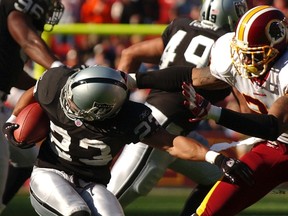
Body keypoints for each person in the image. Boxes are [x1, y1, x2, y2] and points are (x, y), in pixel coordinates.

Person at [2, 65, 253, 216]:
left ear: (101, 111)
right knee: (76, 212)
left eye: (76, 103)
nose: (68, 103)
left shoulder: (130, 117)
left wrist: (216, 158)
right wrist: (13, 118)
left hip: (92, 183)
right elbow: (33, 92)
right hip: (50, 172)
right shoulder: (57, 83)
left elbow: (172, 143)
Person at [140, 5, 288, 215]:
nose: (245, 61)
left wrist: (213, 112)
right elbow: (193, 76)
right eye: (242, 53)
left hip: (274, 135)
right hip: (277, 146)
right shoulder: (231, 56)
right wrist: (135, 80)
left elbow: (272, 126)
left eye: (253, 54)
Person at [107, 0, 248, 215]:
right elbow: (246, 111)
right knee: (105, 205)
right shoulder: (228, 46)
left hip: (175, 131)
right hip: (157, 130)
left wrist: (117, 104)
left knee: (221, 178)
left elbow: (129, 54)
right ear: (233, 16)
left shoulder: (181, 26)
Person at [0, 0, 64, 212]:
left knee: (27, 157)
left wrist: (43, 86)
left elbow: (10, 73)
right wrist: (59, 69)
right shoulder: (14, 13)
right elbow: (27, 38)